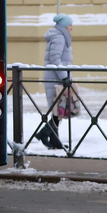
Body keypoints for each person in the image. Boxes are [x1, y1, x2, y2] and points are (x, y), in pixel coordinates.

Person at [35, 14, 74, 150]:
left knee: (58, 110)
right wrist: (64, 77)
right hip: (56, 79)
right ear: (64, 26)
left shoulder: (59, 36)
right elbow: (55, 59)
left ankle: (54, 139)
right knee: (60, 109)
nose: (72, 28)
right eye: (70, 25)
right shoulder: (59, 37)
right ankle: (43, 133)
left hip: (56, 77)